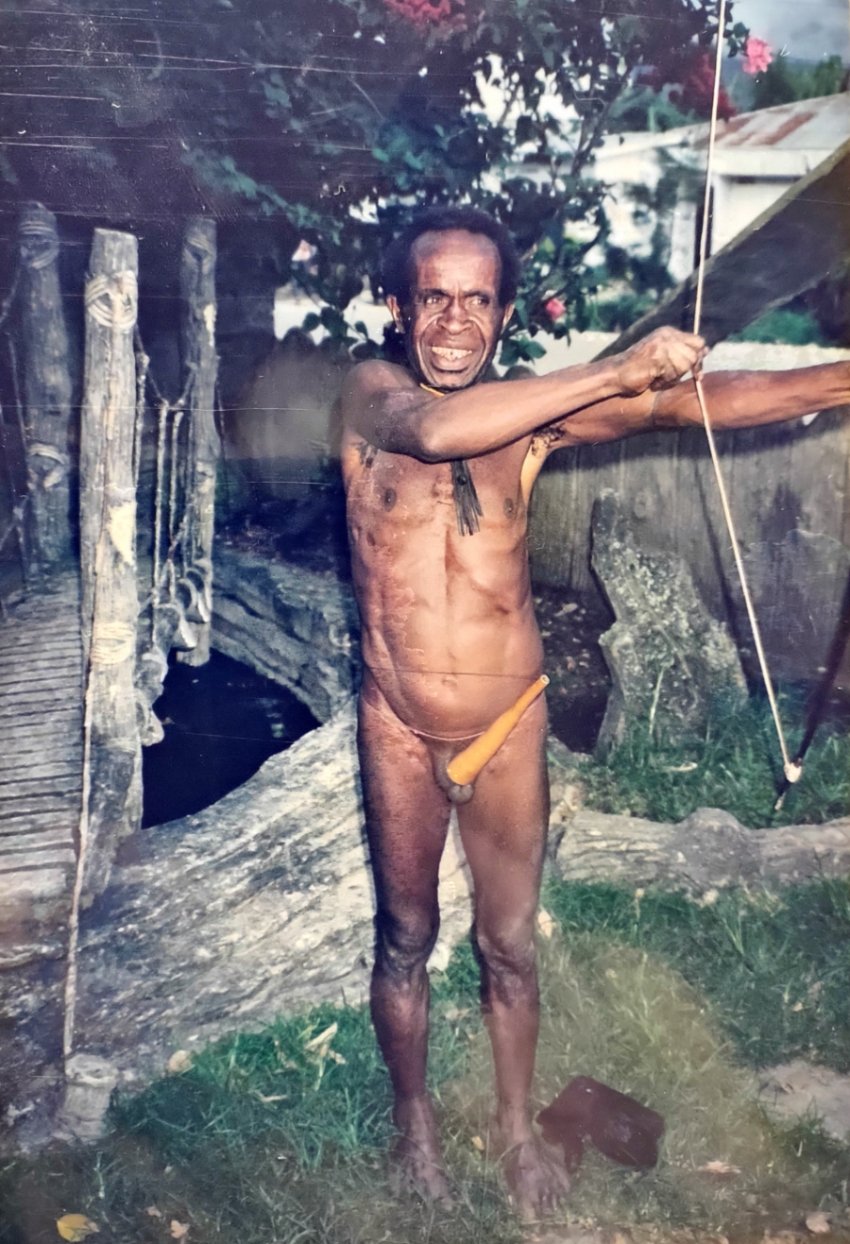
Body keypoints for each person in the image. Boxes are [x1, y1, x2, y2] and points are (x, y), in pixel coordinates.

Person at [338, 206, 850, 1217]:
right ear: (395, 309)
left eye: (476, 301)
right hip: (397, 720)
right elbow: (433, 430)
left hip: (506, 723)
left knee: (510, 945)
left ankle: (520, 1129)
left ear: (504, 313)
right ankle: (414, 1124)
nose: (451, 322)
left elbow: (697, 404)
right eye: (431, 297)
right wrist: (618, 367)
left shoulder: (532, 419)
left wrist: (837, 380)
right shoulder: (371, 396)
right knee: (404, 933)